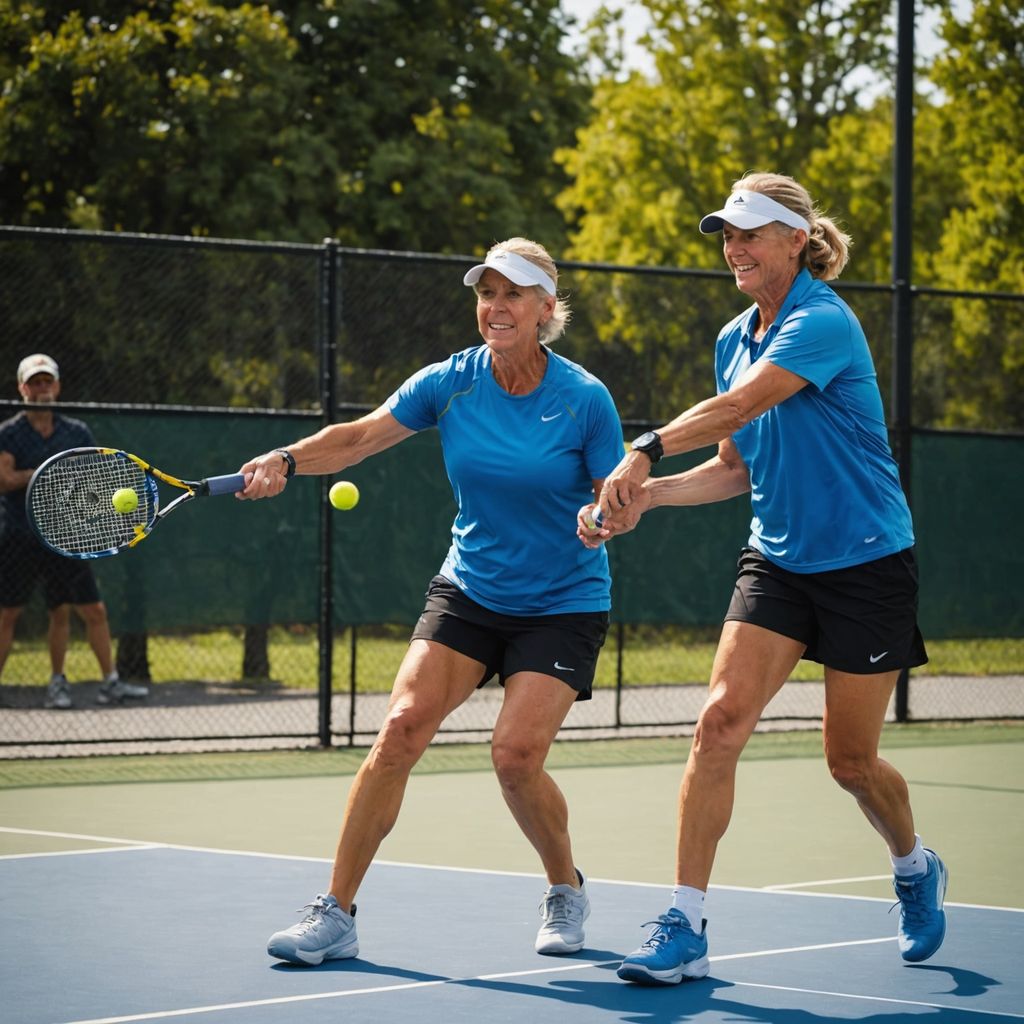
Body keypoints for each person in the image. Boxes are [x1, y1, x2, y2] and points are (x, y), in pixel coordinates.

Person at [579, 173, 947, 984]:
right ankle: (685, 922)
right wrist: (643, 496)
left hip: (867, 563)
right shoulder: (731, 337)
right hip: (777, 561)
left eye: (750, 233)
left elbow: (739, 409)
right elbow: (733, 468)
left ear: (796, 240)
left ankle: (915, 866)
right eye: (726, 235)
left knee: (850, 763)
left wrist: (642, 450)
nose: (734, 247)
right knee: (717, 722)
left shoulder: (822, 321)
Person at [239, 238, 624, 965]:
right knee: (400, 730)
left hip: (563, 600)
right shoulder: (451, 381)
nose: (496, 307)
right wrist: (287, 459)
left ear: (546, 308)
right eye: (487, 293)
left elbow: (617, 493)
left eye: (513, 294)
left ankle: (564, 888)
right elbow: (357, 439)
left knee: (513, 757)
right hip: (470, 590)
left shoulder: (584, 399)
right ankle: (337, 912)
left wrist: (604, 516)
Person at [0, 353, 149, 709]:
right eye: (35, 382)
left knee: (85, 610)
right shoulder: (8, 433)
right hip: (18, 537)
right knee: (8, 615)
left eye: (47, 381)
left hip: (66, 536)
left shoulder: (77, 432)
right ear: (23, 388)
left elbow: (92, 481)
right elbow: (4, 479)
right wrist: (44, 474)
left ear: (58, 386)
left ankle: (99, 684)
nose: (42, 388)